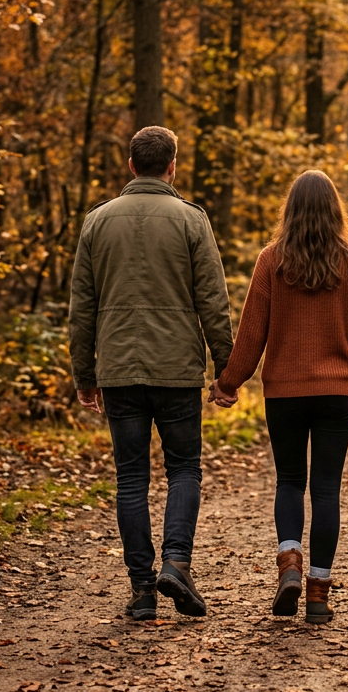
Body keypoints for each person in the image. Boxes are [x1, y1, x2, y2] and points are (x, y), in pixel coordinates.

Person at [68, 126, 233, 621]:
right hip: (177, 369)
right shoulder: (191, 221)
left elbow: (82, 307)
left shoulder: (97, 222)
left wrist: (84, 373)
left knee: (131, 478)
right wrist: (226, 370)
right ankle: (177, 563)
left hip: (118, 370)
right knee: (184, 468)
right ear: (172, 166)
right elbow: (213, 301)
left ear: (131, 165)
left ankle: (142, 590)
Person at [210, 170, 348, 625]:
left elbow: (252, 332)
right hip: (338, 393)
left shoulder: (272, 260)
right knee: (326, 489)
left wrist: (229, 382)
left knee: (290, 480)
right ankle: (318, 597)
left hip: (284, 392)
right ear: (335, 211)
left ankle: (289, 562)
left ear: (291, 210)